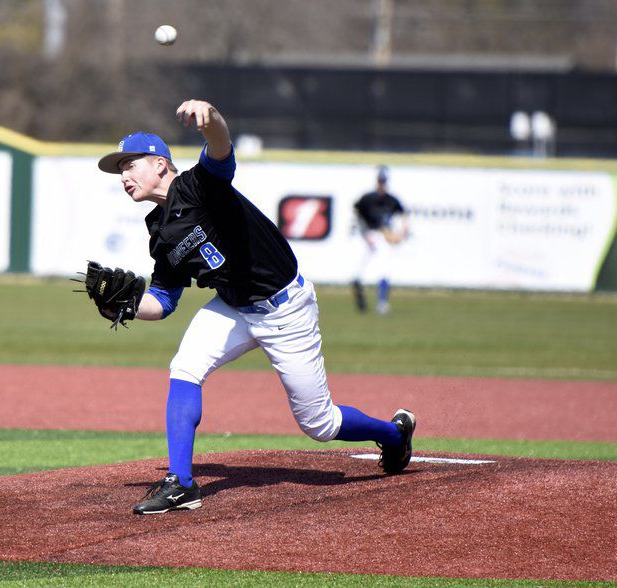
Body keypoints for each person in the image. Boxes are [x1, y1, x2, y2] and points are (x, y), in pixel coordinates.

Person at [96, 99, 416, 515]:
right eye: (119, 170)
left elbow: (221, 147)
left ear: (159, 164)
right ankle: (181, 483)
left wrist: (210, 117)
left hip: (285, 308)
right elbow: (163, 300)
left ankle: (394, 435)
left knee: (319, 425)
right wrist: (124, 305)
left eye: (129, 164)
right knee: (185, 368)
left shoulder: (198, 186)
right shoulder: (158, 232)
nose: (123, 176)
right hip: (233, 307)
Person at [351, 166, 408, 314]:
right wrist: (365, 233)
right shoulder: (368, 199)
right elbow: (357, 214)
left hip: (384, 237)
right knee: (362, 270)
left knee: (384, 269)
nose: (382, 184)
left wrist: (401, 233)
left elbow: (403, 215)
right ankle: (361, 293)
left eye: (384, 181)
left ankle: (382, 303)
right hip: (369, 235)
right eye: (380, 181)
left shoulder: (391, 200)